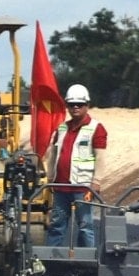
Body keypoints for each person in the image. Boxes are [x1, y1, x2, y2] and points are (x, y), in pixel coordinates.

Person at [43, 84, 106, 248]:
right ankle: (50, 262)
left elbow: (100, 157)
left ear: (87, 105)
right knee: (57, 225)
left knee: (85, 226)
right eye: (72, 104)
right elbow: (53, 155)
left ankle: (86, 262)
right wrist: (50, 178)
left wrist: (96, 182)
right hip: (61, 187)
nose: (75, 107)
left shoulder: (96, 129)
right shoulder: (62, 128)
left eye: (79, 104)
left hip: (82, 188)